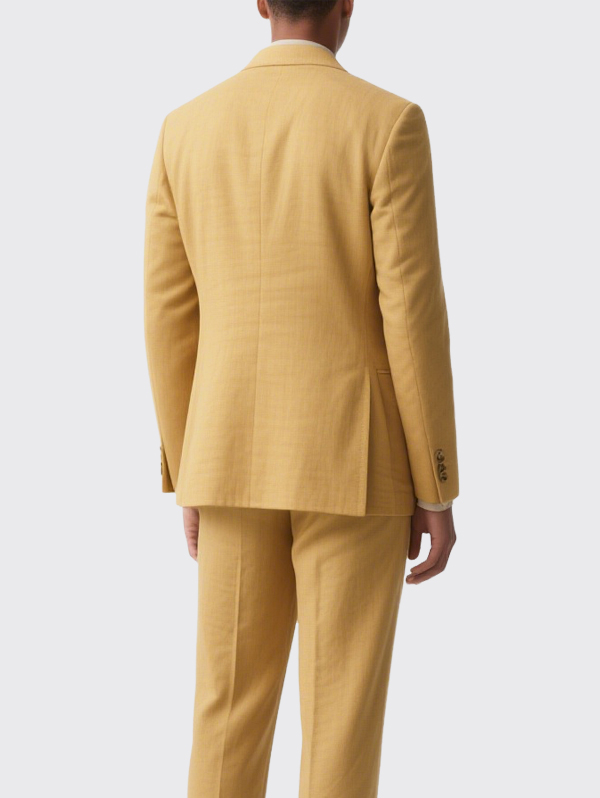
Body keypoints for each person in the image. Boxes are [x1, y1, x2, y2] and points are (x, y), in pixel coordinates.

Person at [143, 1, 459, 795]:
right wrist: (436, 486)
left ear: (260, 3)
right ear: (346, 3)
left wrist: (189, 470)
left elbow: (167, 315)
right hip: (355, 465)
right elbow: (411, 316)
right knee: (340, 729)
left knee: (226, 722)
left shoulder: (185, 130)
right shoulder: (387, 123)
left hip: (228, 458)